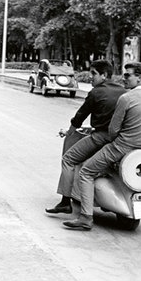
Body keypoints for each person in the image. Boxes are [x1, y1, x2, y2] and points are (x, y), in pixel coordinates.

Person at [63, 62, 141, 230]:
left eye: (127, 75)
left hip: (119, 149)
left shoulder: (126, 98)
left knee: (86, 172)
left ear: (139, 78)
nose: (123, 78)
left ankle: (86, 217)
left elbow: (112, 131)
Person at [45, 60, 127, 215]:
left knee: (68, 159)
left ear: (104, 75)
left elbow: (80, 116)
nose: (91, 77)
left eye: (94, 74)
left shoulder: (96, 92)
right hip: (119, 139)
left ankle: (65, 202)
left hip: (101, 137)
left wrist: (70, 132)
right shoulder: (124, 92)